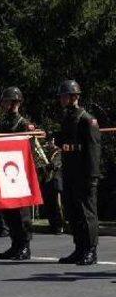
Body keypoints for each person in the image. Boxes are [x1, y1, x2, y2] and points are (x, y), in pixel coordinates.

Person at [57, 80, 101, 265]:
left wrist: (92, 176)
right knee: (73, 212)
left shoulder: (86, 119)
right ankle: (79, 248)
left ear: (73, 97)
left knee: (86, 213)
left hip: (83, 173)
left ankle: (90, 250)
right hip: (69, 171)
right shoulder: (67, 118)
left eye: (64, 96)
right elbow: (64, 142)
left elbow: (93, 149)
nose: (61, 99)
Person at [0, 87, 33, 261]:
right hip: (5, 170)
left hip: (19, 171)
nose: (3, 104)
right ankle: (15, 244)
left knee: (21, 211)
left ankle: (25, 245)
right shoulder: (3, 123)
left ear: (15, 102)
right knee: (8, 209)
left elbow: (30, 145)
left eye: (6, 101)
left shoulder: (23, 124)